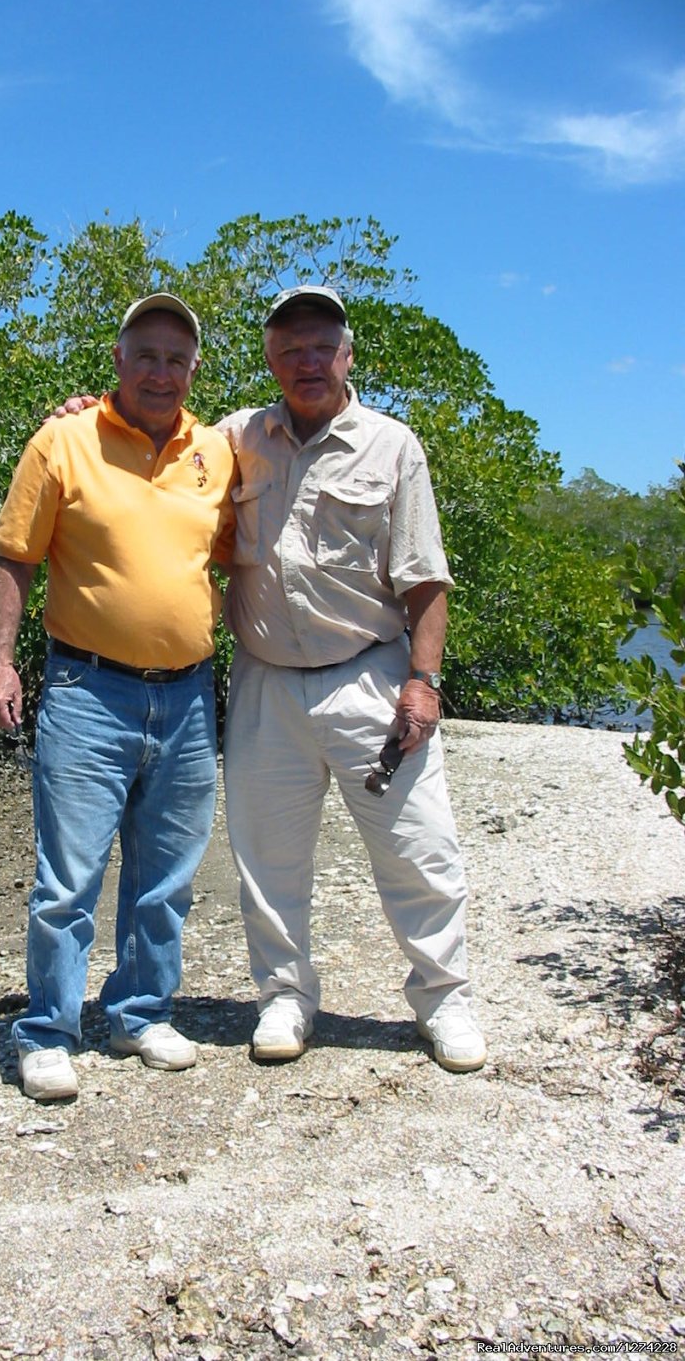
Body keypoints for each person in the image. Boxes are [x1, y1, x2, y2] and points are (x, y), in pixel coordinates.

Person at [0, 293, 236, 1102]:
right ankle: (48, 1029)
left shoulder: (219, 452)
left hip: (191, 697)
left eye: (176, 358)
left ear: (193, 370)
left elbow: (237, 559)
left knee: (167, 875)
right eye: (146, 355)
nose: (161, 371)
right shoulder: (64, 438)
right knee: (69, 878)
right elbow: (13, 555)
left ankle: (139, 1010)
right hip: (87, 690)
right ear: (118, 361)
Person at [220, 285, 485, 1073]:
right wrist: (87, 411)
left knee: (420, 848)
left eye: (322, 346)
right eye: (290, 347)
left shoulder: (393, 444)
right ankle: (284, 996)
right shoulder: (234, 438)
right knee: (266, 858)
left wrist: (424, 679)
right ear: (270, 358)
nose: (307, 361)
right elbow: (149, 443)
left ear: (348, 355)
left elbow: (426, 578)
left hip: (370, 673)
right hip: (264, 680)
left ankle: (445, 1000)